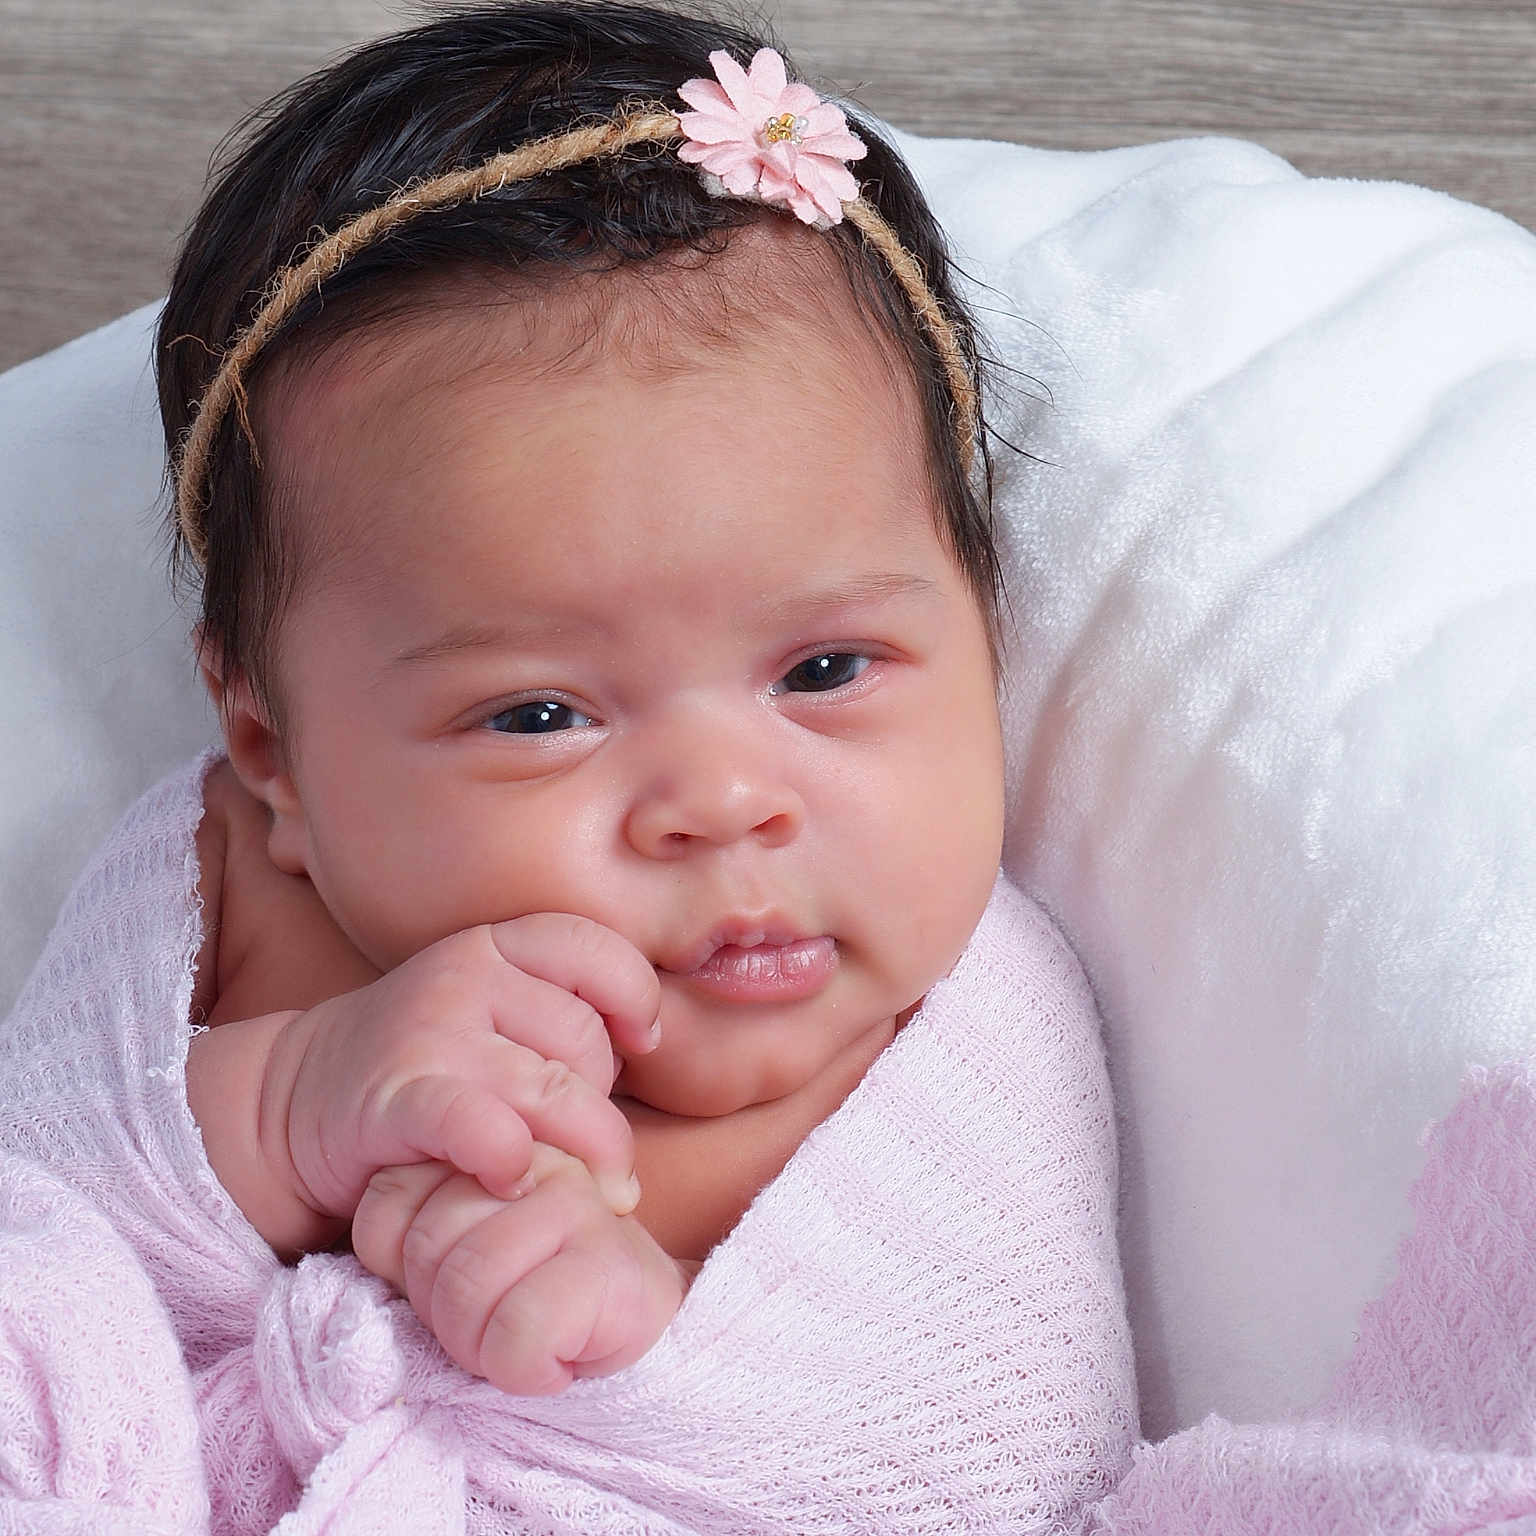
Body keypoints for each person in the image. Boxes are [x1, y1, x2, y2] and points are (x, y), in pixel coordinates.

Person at [0, 3, 1134, 1527]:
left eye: (825, 671)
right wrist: (276, 1117)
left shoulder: (964, 1028)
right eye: (538, 716)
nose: (726, 803)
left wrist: (626, 1345)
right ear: (274, 748)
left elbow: (1018, 1455)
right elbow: (39, 1215)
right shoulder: (218, 894)